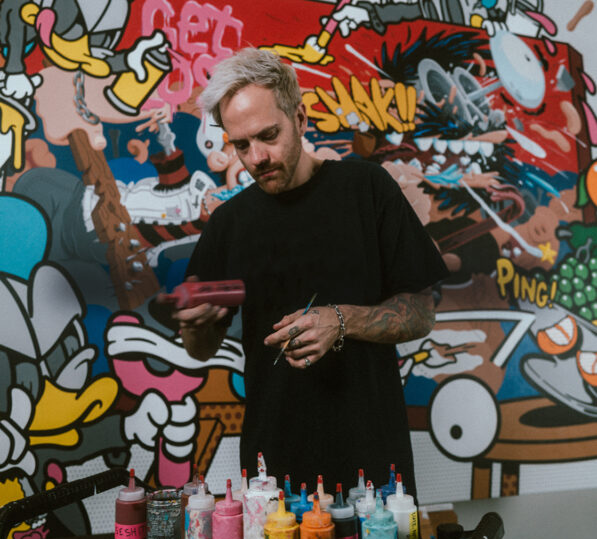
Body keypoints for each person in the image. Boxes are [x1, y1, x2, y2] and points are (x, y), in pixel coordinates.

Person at [176, 48, 448, 498]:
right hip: (275, 466)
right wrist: (194, 324)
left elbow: (421, 313)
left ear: (300, 119)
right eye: (241, 145)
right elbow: (202, 348)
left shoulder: (367, 190)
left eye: (268, 135)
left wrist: (340, 320)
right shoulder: (229, 225)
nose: (257, 157)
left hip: (374, 457)